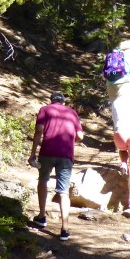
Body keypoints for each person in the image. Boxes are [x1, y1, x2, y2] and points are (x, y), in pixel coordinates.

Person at [28, 91, 83, 239]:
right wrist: (70, 141)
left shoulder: (45, 109)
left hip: (47, 152)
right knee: (63, 191)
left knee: (43, 181)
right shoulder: (72, 113)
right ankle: (64, 228)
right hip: (66, 155)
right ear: (63, 102)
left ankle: (41, 216)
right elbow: (80, 136)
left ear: (51, 101)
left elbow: (39, 130)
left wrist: (33, 153)